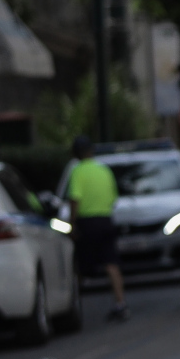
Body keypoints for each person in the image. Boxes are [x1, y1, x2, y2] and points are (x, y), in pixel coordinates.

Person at [64, 138, 128, 323]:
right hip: (106, 220)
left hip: (87, 223)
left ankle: (71, 308)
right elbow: (113, 198)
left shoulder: (76, 172)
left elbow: (75, 198)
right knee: (111, 263)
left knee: (80, 266)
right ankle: (120, 304)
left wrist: (72, 224)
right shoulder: (103, 170)